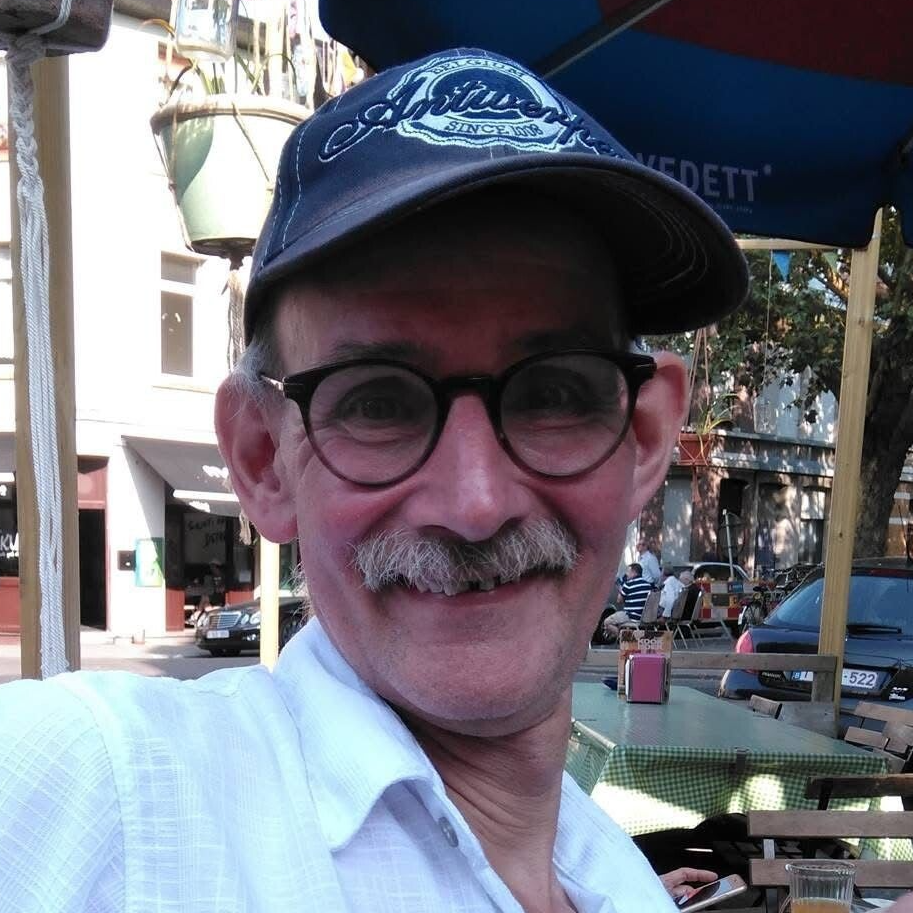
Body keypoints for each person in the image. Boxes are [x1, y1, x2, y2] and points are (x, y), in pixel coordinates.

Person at [9, 46, 907, 913]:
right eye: (377, 402)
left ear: (641, 441)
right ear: (261, 460)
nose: (476, 503)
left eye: (553, 393)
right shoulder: (108, 801)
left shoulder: (619, 878)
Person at [601, 562, 653, 641]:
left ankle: (624, 639)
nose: (626, 574)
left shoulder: (628, 584)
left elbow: (619, 600)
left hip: (631, 616)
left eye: (628, 571)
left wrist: (621, 589)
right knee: (618, 621)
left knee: (607, 622)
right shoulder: (648, 585)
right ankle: (624, 636)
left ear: (634, 572)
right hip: (644, 618)